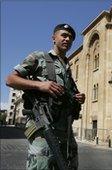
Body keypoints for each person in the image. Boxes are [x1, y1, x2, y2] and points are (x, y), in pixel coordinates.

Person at [6, 23, 85, 170]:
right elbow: (10, 79)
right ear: (53, 38)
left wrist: (78, 97)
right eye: (64, 35)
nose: (67, 39)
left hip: (65, 131)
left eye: (71, 38)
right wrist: (40, 85)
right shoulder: (39, 57)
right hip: (44, 129)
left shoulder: (67, 68)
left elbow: (65, 95)